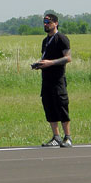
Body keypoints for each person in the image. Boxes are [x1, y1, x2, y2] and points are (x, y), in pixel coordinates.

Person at [31, 14, 73, 147]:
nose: (45, 24)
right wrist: (40, 65)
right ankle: (56, 137)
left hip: (58, 80)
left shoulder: (62, 39)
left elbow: (68, 58)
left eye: (48, 22)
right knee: (49, 107)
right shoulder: (45, 41)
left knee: (61, 106)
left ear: (55, 23)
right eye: (44, 22)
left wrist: (51, 63)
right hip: (46, 80)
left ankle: (68, 137)